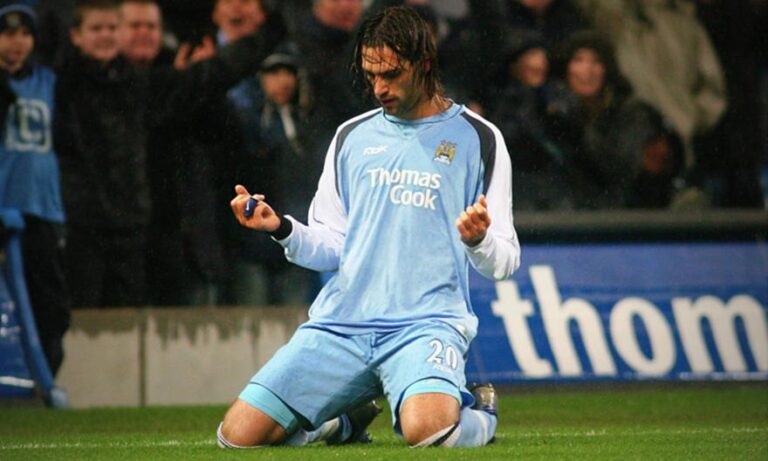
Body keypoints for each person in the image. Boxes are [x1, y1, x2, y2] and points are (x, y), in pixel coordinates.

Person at [218, 6, 520, 448]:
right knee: (237, 438)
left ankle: (482, 413)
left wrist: (478, 241)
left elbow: (505, 261)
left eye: (392, 74)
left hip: (425, 325)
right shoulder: (351, 137)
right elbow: (333, 245)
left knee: (432, 433)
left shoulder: (480, 138)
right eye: (371, 74)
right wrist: (281, 228)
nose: (379, 88)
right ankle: (340, 422)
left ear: (425, 63)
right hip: (343, 325)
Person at [55, 0, 280, 308]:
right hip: (87, 235)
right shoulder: (62, 84)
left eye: (151, 26)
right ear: (76, 35)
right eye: (134, 26)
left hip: (172, 240)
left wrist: (202, 91)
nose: (143, 33)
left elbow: (221, 109)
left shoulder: (156, 83)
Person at [0, 0, 70, 376]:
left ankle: (43, 382)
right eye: (9, 33)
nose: (18, 42)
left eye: (26, 34)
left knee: (51, 309)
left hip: (42, 209)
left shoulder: (48, 81)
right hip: (3, 206)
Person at [226, 47, 322, 306]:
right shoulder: (243, 121)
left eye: (288, 72)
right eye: (274, 72)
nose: (283, 81)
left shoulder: (307, 121)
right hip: (252, 244)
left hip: (295, 238)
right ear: (260, 77)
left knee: (294, 318)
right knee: (251, 317)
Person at [553, 30, 685, 208]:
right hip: (563, 215)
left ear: (608, 69)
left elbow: (622, 172)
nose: (587, 70)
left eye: (596, 62)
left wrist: (578, 130)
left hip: (622, 216)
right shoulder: (553, 114)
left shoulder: (633, 113)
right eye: (578, 60)